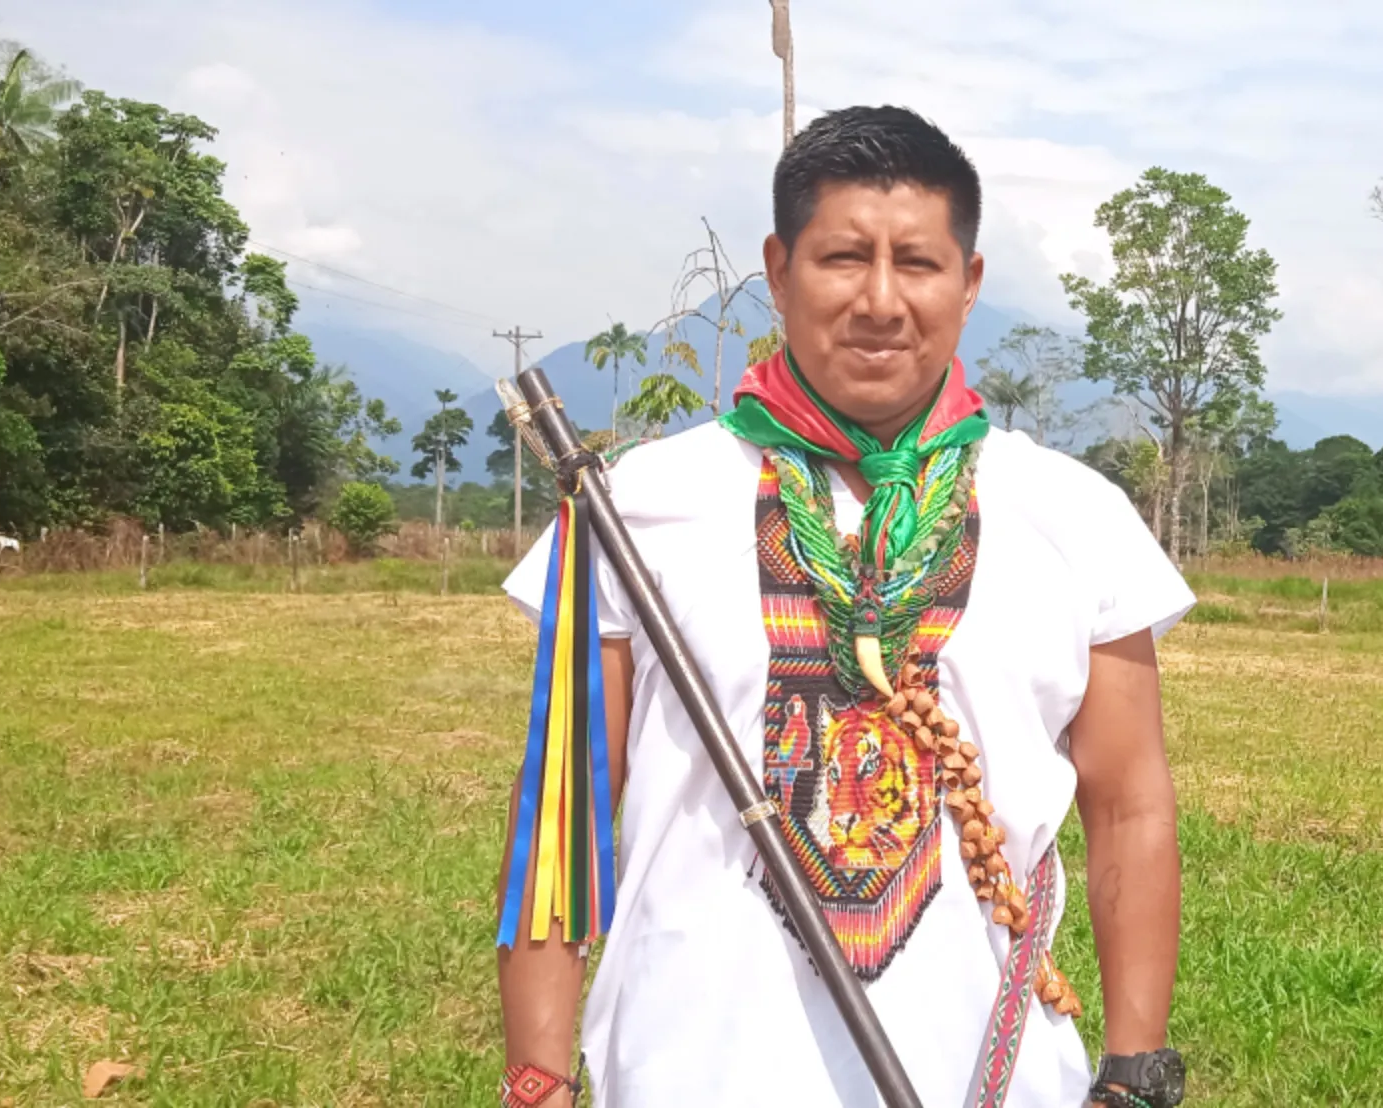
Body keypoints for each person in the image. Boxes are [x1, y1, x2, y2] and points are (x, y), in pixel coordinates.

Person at [497, 105, 1191, 1108]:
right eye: (840, 258)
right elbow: (562, 815)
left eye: (916, 262)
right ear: (778, 272)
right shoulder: (634, 508)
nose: (879, 299)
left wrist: (1136, 1068)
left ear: (970, 282)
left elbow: (1129, 807)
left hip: (991, 1080)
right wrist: (537, 1078)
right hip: (691, 1069)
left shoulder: (1077, 515)